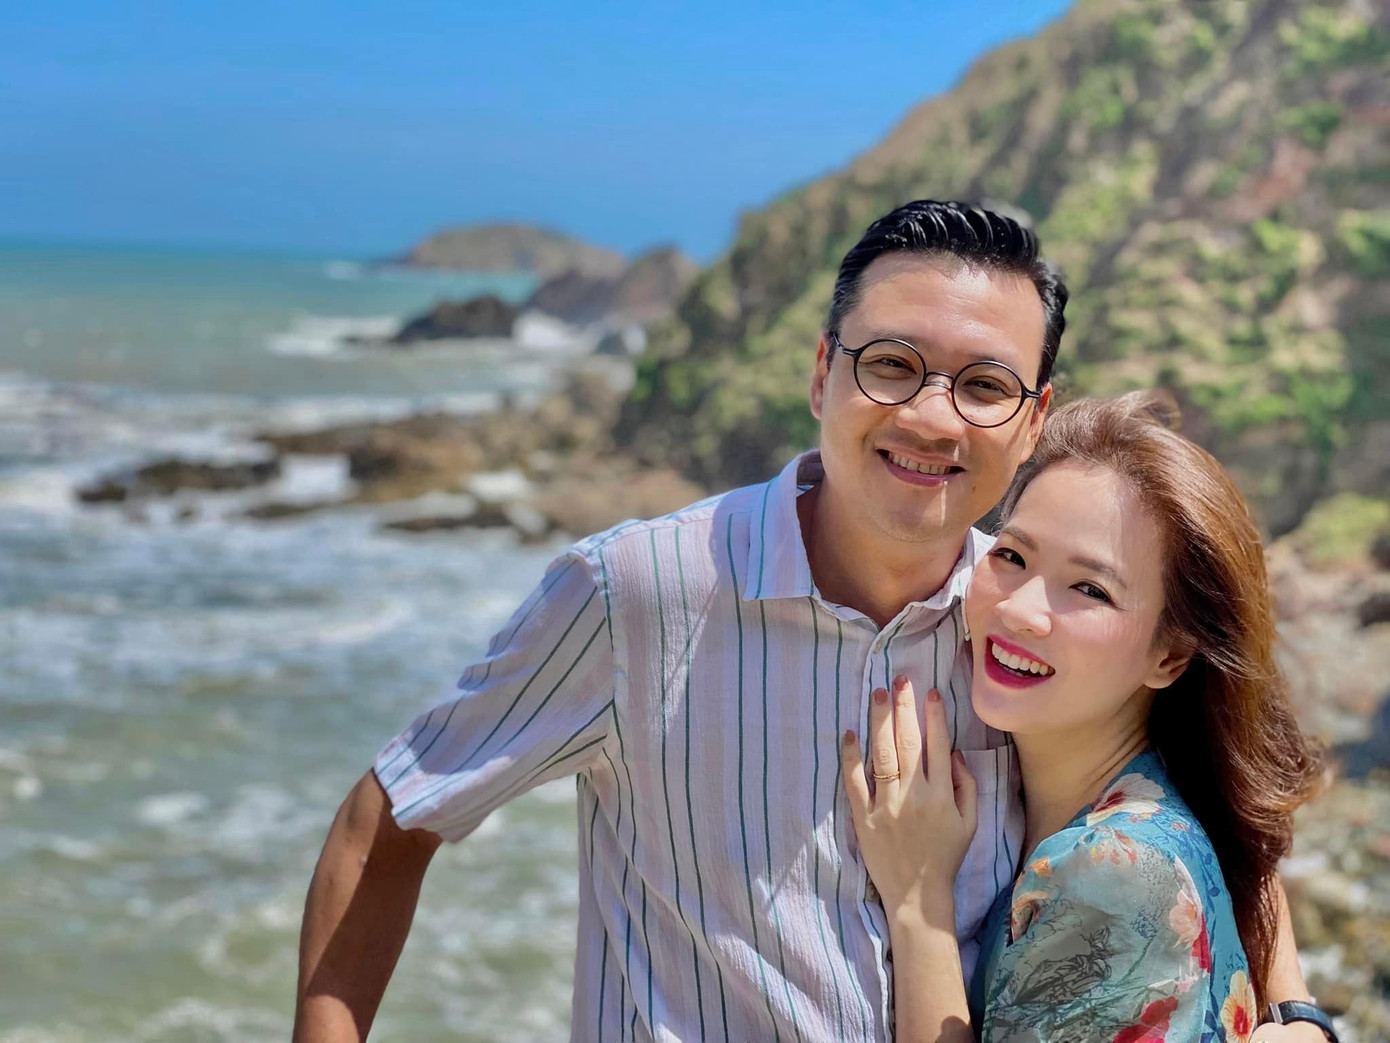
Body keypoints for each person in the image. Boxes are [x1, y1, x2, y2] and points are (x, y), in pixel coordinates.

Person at [293, 202, 1327, 1042]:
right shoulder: (636, 593)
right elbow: (392, 816)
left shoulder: (1022, 626)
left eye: (983, 385)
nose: (930, 415)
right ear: (823, 370)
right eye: (891, 364)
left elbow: (1205, 793)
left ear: (1031, 420)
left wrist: (1297, 1015)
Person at [842, 393, 1333, 1041]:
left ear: (1169, 655)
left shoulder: (1111, 870)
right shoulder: (1165, 785)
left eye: (1090, 589)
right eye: (1012, 556)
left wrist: (917, 902)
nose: (1020, 610)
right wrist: (1300, 1013)